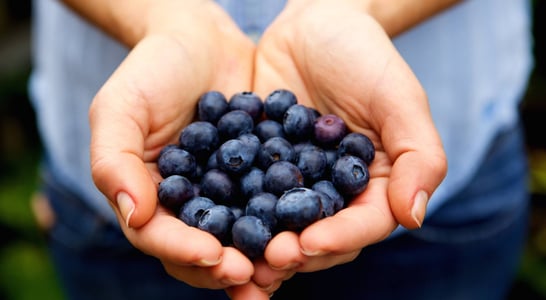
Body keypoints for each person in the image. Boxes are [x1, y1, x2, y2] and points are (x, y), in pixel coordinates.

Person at [28, 0, 533, 299]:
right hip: (116, 208)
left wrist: (356, 9)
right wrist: (162, 18)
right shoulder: (223, 160)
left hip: (452, 181)